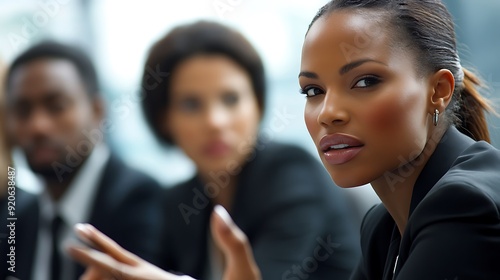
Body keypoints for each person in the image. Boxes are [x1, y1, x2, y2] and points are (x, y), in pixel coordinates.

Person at [68, 0, 500, 279]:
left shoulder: (462, 205)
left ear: (439, 90)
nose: (328, 111)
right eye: (313, 91)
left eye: (366, 81)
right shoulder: (383, 225)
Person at [70, 20, 361, 279]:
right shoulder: (180, 201)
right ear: (163, 118)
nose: (215, 122)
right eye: (191, 105)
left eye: (231, 99)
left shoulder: (289, 171)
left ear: (257, 105)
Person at [1, 41, 164, 280]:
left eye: (56, 106)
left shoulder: (140, 199)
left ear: (97, 111)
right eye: (23, 111)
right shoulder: (18, 217)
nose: (38, 126)